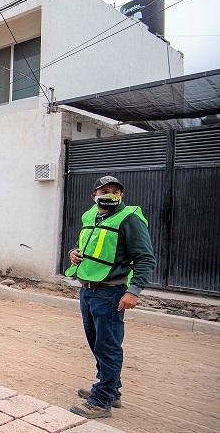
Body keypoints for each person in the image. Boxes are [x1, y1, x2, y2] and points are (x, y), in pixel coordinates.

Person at [66, 175, 155, 419]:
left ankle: (101, 400)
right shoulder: (90, 215)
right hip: (88, 288)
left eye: (115, 191)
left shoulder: (130, 219)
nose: (110, 194)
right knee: (96, 343)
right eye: (104, 190)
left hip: (111, 291)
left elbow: (145, 258)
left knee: (108, 346)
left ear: (122, 195)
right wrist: (74, 253)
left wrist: (133, 291)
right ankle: (111, 389)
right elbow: (85, 244)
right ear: (94, 195)